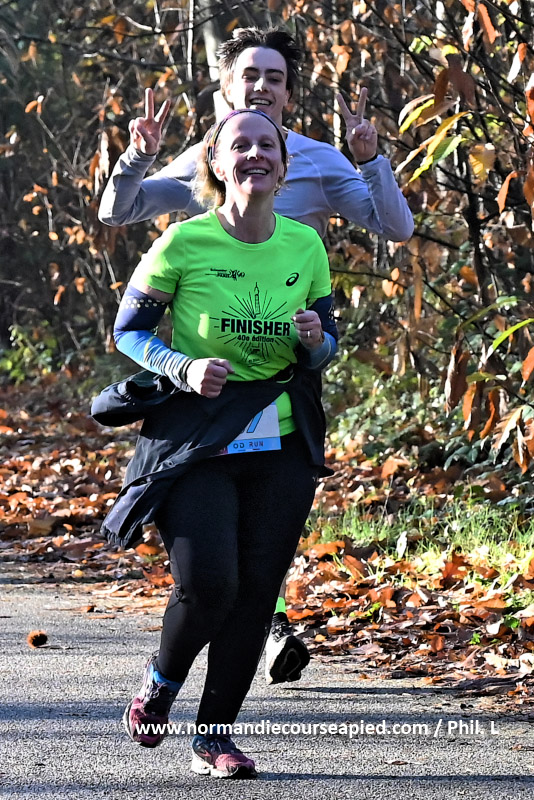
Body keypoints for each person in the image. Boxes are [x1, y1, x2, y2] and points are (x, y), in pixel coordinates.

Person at [99, 26, 414, 686]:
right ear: (225, 88)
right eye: (250, 74)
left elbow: (394, 226)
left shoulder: (316, 161)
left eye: (275, 77)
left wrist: (370, 160)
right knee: (217, 560)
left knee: (259, 530)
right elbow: (118, 212)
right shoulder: (206, 158)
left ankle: (254, 631)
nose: (262, 86)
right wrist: (137, 156)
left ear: (289, 96)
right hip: (208, 376)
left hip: (286, 367)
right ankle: (248, 627)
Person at [101, 107, 338, 779]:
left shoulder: (306, 246)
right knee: (210, 584)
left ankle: (215, 737)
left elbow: (326, 343)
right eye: (240, 145)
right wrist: (181, 367)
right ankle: (161, 682)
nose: (254, 155)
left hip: (281, 442)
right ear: (217, 162)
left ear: (283, 167)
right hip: (199, 439)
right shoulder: (184, 241)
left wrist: (316, 342)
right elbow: (128, 331)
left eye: (267, 146)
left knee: (257, 593)